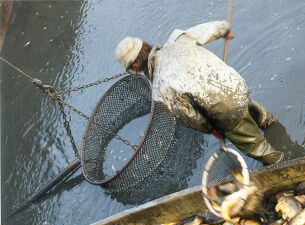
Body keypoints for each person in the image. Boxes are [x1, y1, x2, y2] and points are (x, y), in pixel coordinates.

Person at [115, 21, 284, 165]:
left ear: (136, 65)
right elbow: (212, 28)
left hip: (226, 113)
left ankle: (283, 164)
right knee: (253, 111)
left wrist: (212, 130)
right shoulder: (178, 38)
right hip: (236, 85)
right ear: (145, 45)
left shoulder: (160, 90)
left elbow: (192, 117)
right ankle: (273, 125)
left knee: (258, 148)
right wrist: (225, 31)